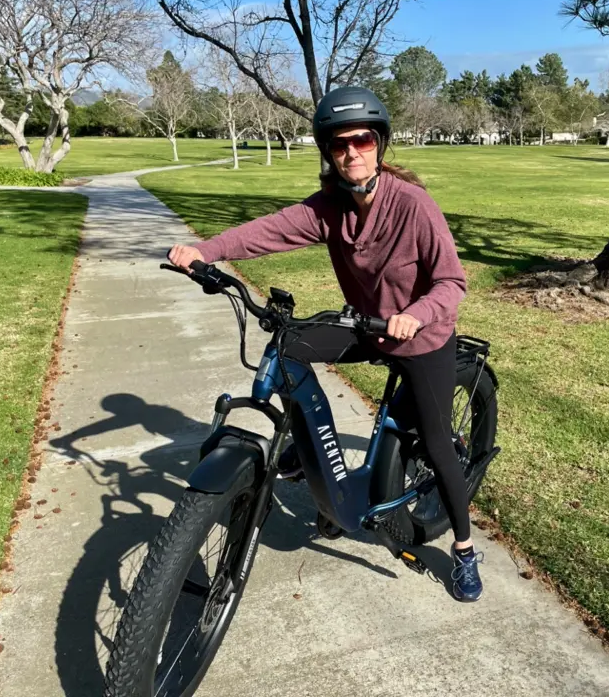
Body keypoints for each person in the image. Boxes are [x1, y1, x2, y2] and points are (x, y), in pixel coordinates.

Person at [168, 86, 484, 602]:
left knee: (437, 445)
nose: (351, 152)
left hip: (421, 337)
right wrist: (205, 250)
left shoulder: (413, 206)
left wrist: (414, 315)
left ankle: (466, 551)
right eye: (339, 145)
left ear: (379, 144)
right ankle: (313, 456)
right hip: (367, 327)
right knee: (288, 346)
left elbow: (452, 283)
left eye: (361, 140)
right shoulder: (329, 207)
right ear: (328, 153)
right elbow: (269, 231)